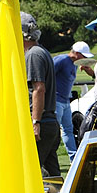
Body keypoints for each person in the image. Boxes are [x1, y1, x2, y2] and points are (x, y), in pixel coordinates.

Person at [22, 12, 61, 178]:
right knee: (53, 176)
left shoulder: (33, 54)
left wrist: (35, 121)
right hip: (49, 122)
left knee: (31, 172)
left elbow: (39, 88)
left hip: (42, 122)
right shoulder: (41, 51)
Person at [53, 40, 94, 162]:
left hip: (65, 101)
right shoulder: (61, 60)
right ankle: (50, 161)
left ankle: (74, 160)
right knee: (54, 132)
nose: (85, 58)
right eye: (83, 55)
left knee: (68, 130)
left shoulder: (74, 63)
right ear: (76, 53)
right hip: (56, 100)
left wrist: (87, 69)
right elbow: (46, 74)